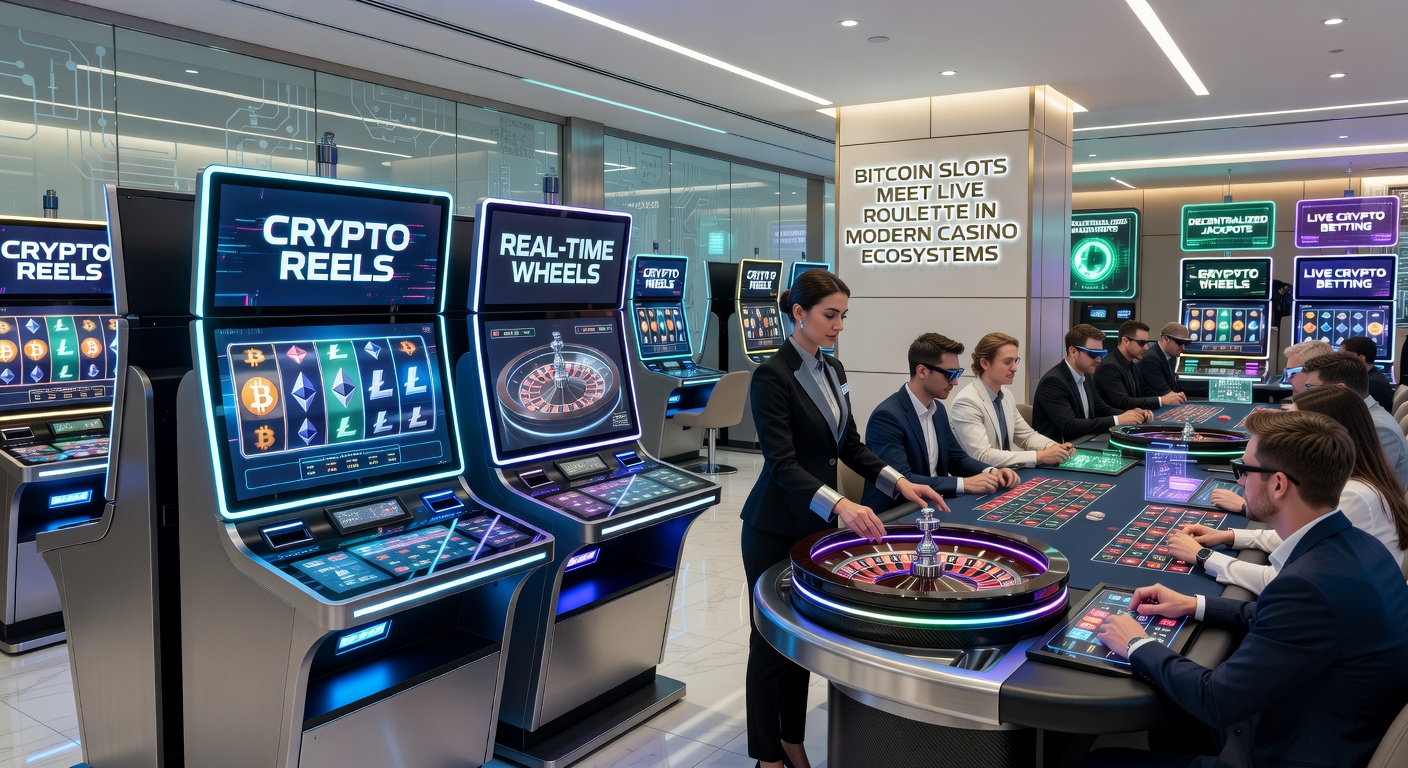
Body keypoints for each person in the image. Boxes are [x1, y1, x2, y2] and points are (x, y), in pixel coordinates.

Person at [1093, 409, 1408, 768]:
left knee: (1100, 759)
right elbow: (1278, 618)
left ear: (1278, 484)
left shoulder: (1308, 587)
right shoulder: (1361, 546)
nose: (1239, 483)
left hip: (1284, 751)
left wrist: (1137, 643)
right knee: (1175, 722)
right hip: (1318, 721)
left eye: (1244, 470)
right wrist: (1193, 604)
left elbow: (1216, 700)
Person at [741, 269, 946, 768]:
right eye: (829, 315)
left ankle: (792, 738)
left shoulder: (834, 370)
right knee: (769, 644)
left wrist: (899, 482)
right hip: (772, 524)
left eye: (843, 317)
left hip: (814, 526)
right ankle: (767, 755)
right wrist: (839, 503)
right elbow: (781, 463)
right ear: (799, 313)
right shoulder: (771, 375)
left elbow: (850, 445)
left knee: (802, 637)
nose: (838, 326)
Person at [1168, 385, 1408, 594]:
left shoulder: (1354, 495)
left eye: (1293, 420)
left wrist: (1204, 557)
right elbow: (1307, 539)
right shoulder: (1357, 482)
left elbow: (1281, 581)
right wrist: (1230, 536)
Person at [862, 333, 1020, 512]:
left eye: (957, 373)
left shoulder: (938, 409)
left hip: (933, 507)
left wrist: (991, 471)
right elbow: (902, 480)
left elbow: (957, 459)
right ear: (922, 371)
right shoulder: (886, 417)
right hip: (895, 516)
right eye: (949, 374)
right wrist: (963, 484)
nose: (955, 381)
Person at [951, 332, 1075, 468]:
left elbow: (1027, 437)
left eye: (1015, 361)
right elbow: (982, 456)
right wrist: (1039, 456)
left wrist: (1055, 448)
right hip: (982, 480)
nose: (1015, 368)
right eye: (1007, 362)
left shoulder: (1006, 395)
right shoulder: (967, 401)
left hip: (1007, 474)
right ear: (984, 363)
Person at [1302, 351, 1408, 487]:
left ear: (1339, 390)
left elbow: (1362, 489)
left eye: (1311, 387)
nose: (1307, 394)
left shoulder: (1377, 428)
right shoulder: (1354, 417)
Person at [1032, 324, 1151, 443]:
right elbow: (1069, 426)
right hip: (1058, 452)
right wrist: (1118, 420)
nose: (1099, 359)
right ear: (1073, 351)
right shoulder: (1053, 382)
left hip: (1081, 442)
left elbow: (1102, 409)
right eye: (1093, 354)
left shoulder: (1087, 376)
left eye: (1102, 353)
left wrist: (1133, 414)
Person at [1094, 320, 1187, 411]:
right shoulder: (1109, 367)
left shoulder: (1131, 364)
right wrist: (1161, 400)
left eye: (1146, 343)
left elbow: (1143, 391)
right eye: (1141, 343)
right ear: (1125, 341)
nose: (1146, 347)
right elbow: (1123, 402)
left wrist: (1167, 397)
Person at [1341, 336, 1395, 412]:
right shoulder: (1371, 376)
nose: (1339, 359)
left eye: (1343, 356)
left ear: (1361, 358)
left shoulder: (1371, 383)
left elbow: (1353, 412)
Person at [1135, 322, 1188, 398]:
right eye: (1180, 343)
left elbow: (1173, 387)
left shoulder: (1172, 356)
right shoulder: (1151, 359)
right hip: (1151, 406)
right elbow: (1163, 392)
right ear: (1165, 339)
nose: (1183, 347)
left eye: (1186, 343)